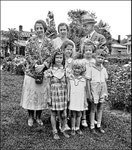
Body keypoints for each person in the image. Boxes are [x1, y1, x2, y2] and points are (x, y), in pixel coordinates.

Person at [20, 19, 54, 127]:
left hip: (43, 73)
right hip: (31, 73)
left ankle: (38, 117)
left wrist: (44, 65)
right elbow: (27, 54)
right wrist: (35, 65)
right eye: (37, 28)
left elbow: (51, 55)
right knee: (31, 95)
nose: (39, 30)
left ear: (44, 29)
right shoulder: (30, 41)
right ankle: (30, 116)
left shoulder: (49, 42)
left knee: (41, 96)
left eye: (41, 28)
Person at [45, 49, 70, 140]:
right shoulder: (50, 71)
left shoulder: (65, 70)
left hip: (63, 94)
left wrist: (68, 96)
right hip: (53, 94)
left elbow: (67, 84)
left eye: (60, 58)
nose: (59, 59)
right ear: (54, 58)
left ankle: (63, 129)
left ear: (63, 59)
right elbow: (48, 85)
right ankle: (55, 131)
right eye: (57, 57)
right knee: (53, 113)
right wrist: (48, 97)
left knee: (64, 114)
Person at [86, 49, 108, 134]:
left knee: (100, 108)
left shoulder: (104, 69)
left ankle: (98, 125)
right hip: (94, 90)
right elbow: (88, 81)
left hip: (102, 90)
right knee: (93, 108)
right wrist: (89, 93)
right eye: (99, 57)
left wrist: (106, 93)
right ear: (95, 57)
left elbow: (105, 82)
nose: (100, 60)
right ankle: (92, 126)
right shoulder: (91, 68)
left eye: (102, 58)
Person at [67, 58, 88, 136]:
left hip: (80, 98)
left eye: (79, 68)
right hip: (73, 98)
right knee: (73, 114)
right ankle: (72, 128)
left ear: (82, 69)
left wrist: (85, 101)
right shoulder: (70, 78)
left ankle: (77, 127)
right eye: (75, 68)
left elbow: (85, 91)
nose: (77, 70)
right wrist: (68, 97)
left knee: (79, 114)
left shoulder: (83, 79)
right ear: (73, 68)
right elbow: (68, 88)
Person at [81, 39, 96, 127]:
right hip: (84, 83)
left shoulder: (94, 61)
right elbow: (80, 72)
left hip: (92, 83)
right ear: (84, 51)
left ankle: (92, 118)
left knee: (93, 100)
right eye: (86, 50)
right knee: (84, 100)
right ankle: (83, 118)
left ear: (92, 51)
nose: (88, 52)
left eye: (89, 50)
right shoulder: (82, 61)